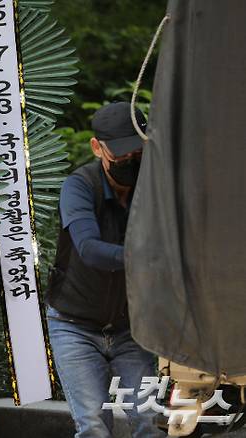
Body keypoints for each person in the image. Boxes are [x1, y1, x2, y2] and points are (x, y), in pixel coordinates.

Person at [46, 102, 165, 437]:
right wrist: (153, 258)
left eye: (137, 152)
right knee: (94, 425)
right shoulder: (79, 186)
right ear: (97, 148)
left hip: (132, 328)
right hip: (74, 327)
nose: (130, 161)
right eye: (121, 154)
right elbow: (89, 249)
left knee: (150, 421)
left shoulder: (156, 187)